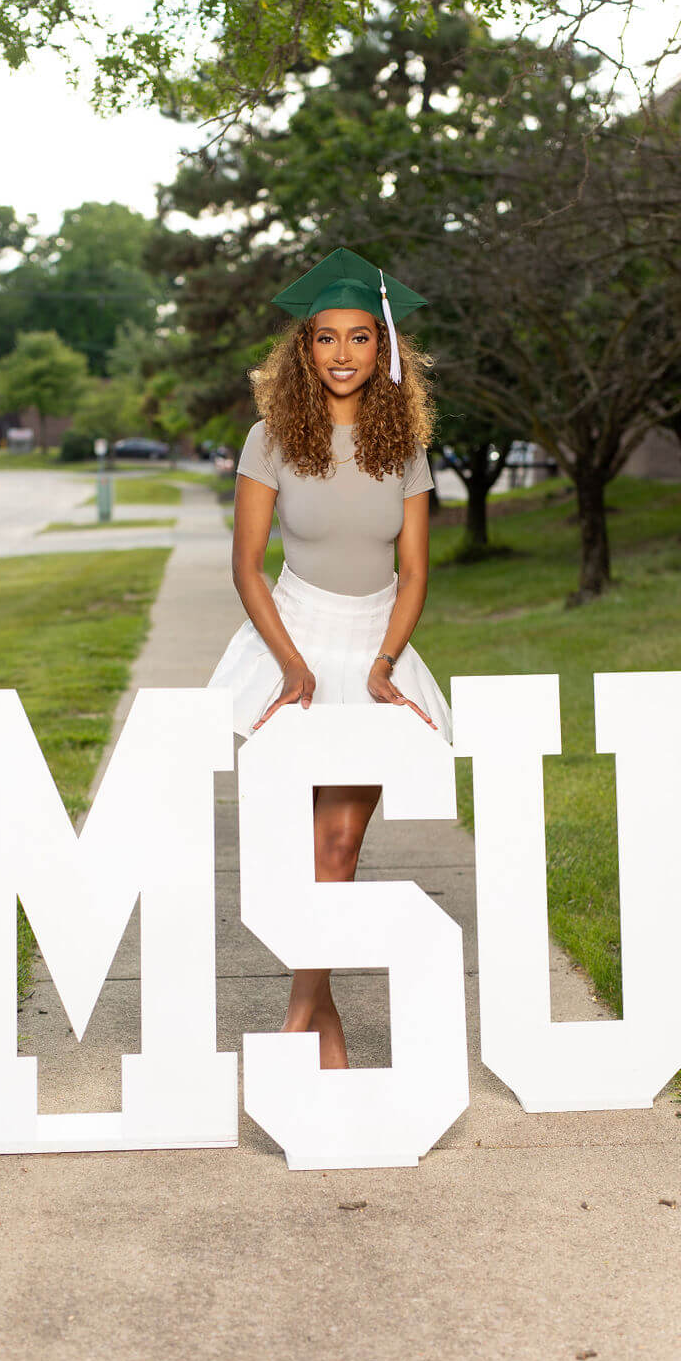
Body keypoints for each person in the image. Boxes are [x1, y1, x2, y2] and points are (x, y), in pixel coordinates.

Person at [207, 247, 452, 1070]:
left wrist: (385, 660)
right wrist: (291, 665)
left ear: (384, 350)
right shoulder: (270, 439)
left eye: (358, 337)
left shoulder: (405, 448)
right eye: (324, 338)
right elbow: (246, 566)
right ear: (302, 351)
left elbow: (415, 571)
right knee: (301, 851)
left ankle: (299, 1020)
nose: (342, 353)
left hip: (376, 646)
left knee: (338, 847)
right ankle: (328, 1017)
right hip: (293, 640)